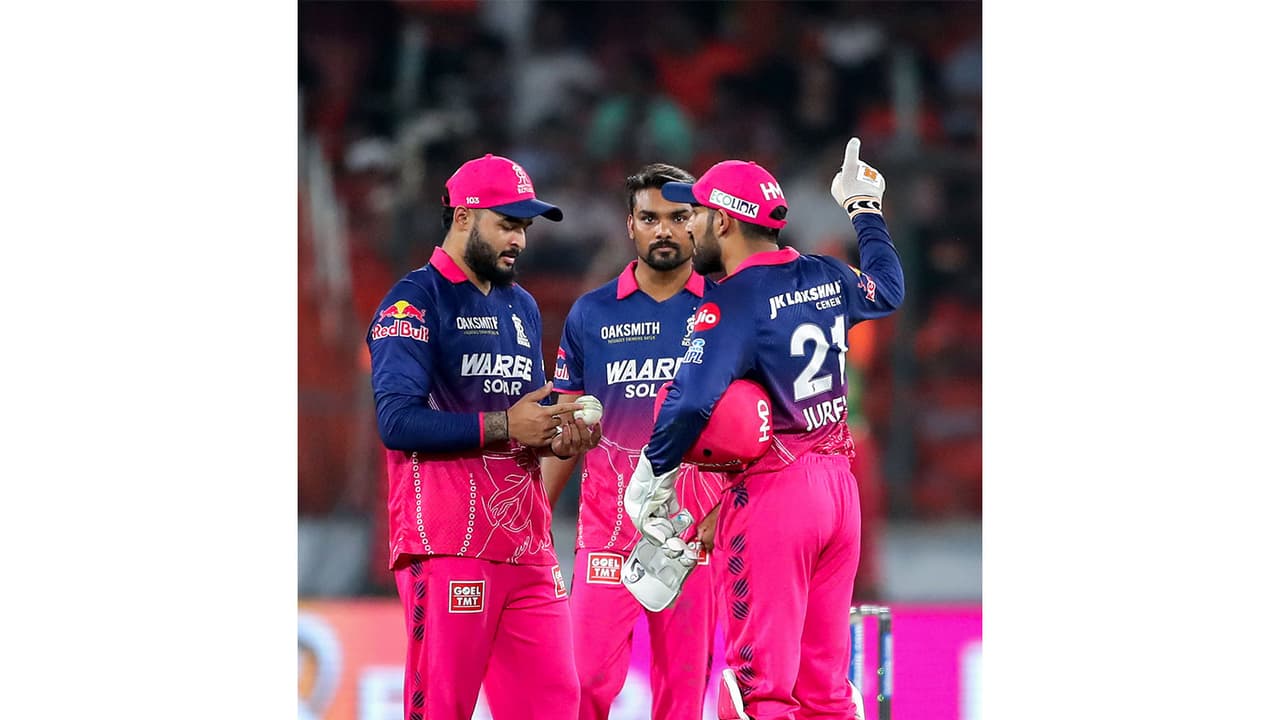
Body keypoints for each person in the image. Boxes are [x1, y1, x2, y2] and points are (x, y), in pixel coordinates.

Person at [626, 138, 905, 720]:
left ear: (724, 222)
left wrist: (653, 472)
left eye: (696, 214)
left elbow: (691, 400)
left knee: (761, 693)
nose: (687, 227)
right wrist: (865, 209)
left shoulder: (732, 301)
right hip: (840, 490)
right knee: (825, 692)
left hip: (777, 493)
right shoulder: (827, 273)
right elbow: (889, 289)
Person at [366, 153, 601, 720]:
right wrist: (504, 426)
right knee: (442, 708)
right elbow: (396, 423)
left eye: (524, 227)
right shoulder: (414, 301)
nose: (519, 240)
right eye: (507, 224)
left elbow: (524, 415)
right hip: (449, 544)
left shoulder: (521, 305)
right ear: (464, 217)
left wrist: (558, 436)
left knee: (554, 707)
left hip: (527, 547)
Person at [542, 163, 723, 720]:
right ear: (630, 225)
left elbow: (757, 424)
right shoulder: (591, 313)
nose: (663, 229)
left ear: (698, 222)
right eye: (649, 218)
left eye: (678, 216)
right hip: (607, 535)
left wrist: (723, 513)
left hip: (692, 534)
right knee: (584, 685)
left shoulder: (727, 309)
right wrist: (530, 519)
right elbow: (563, 427)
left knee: (682, 699)